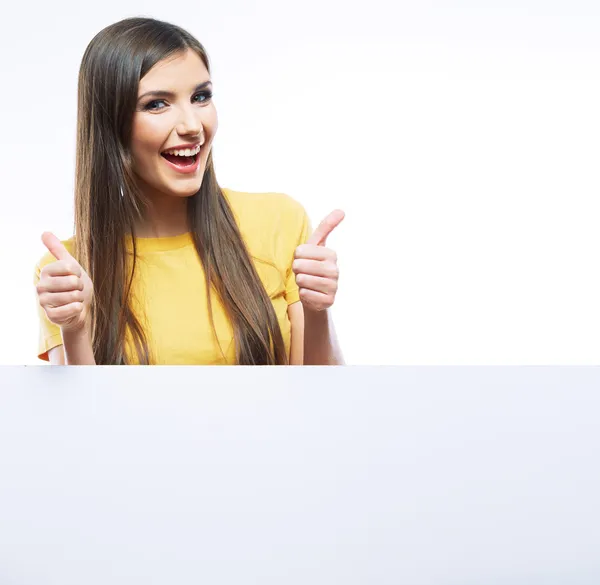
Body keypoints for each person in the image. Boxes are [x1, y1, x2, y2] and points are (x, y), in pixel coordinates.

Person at [33, 17, 344, 366]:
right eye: (157, 104)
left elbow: (320, 405)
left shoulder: (279, 222)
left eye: (200, 97)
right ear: (112, 126)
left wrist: (318, 310)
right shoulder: (69, 270)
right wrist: (74, 328)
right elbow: (81, 419)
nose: (193, 126)